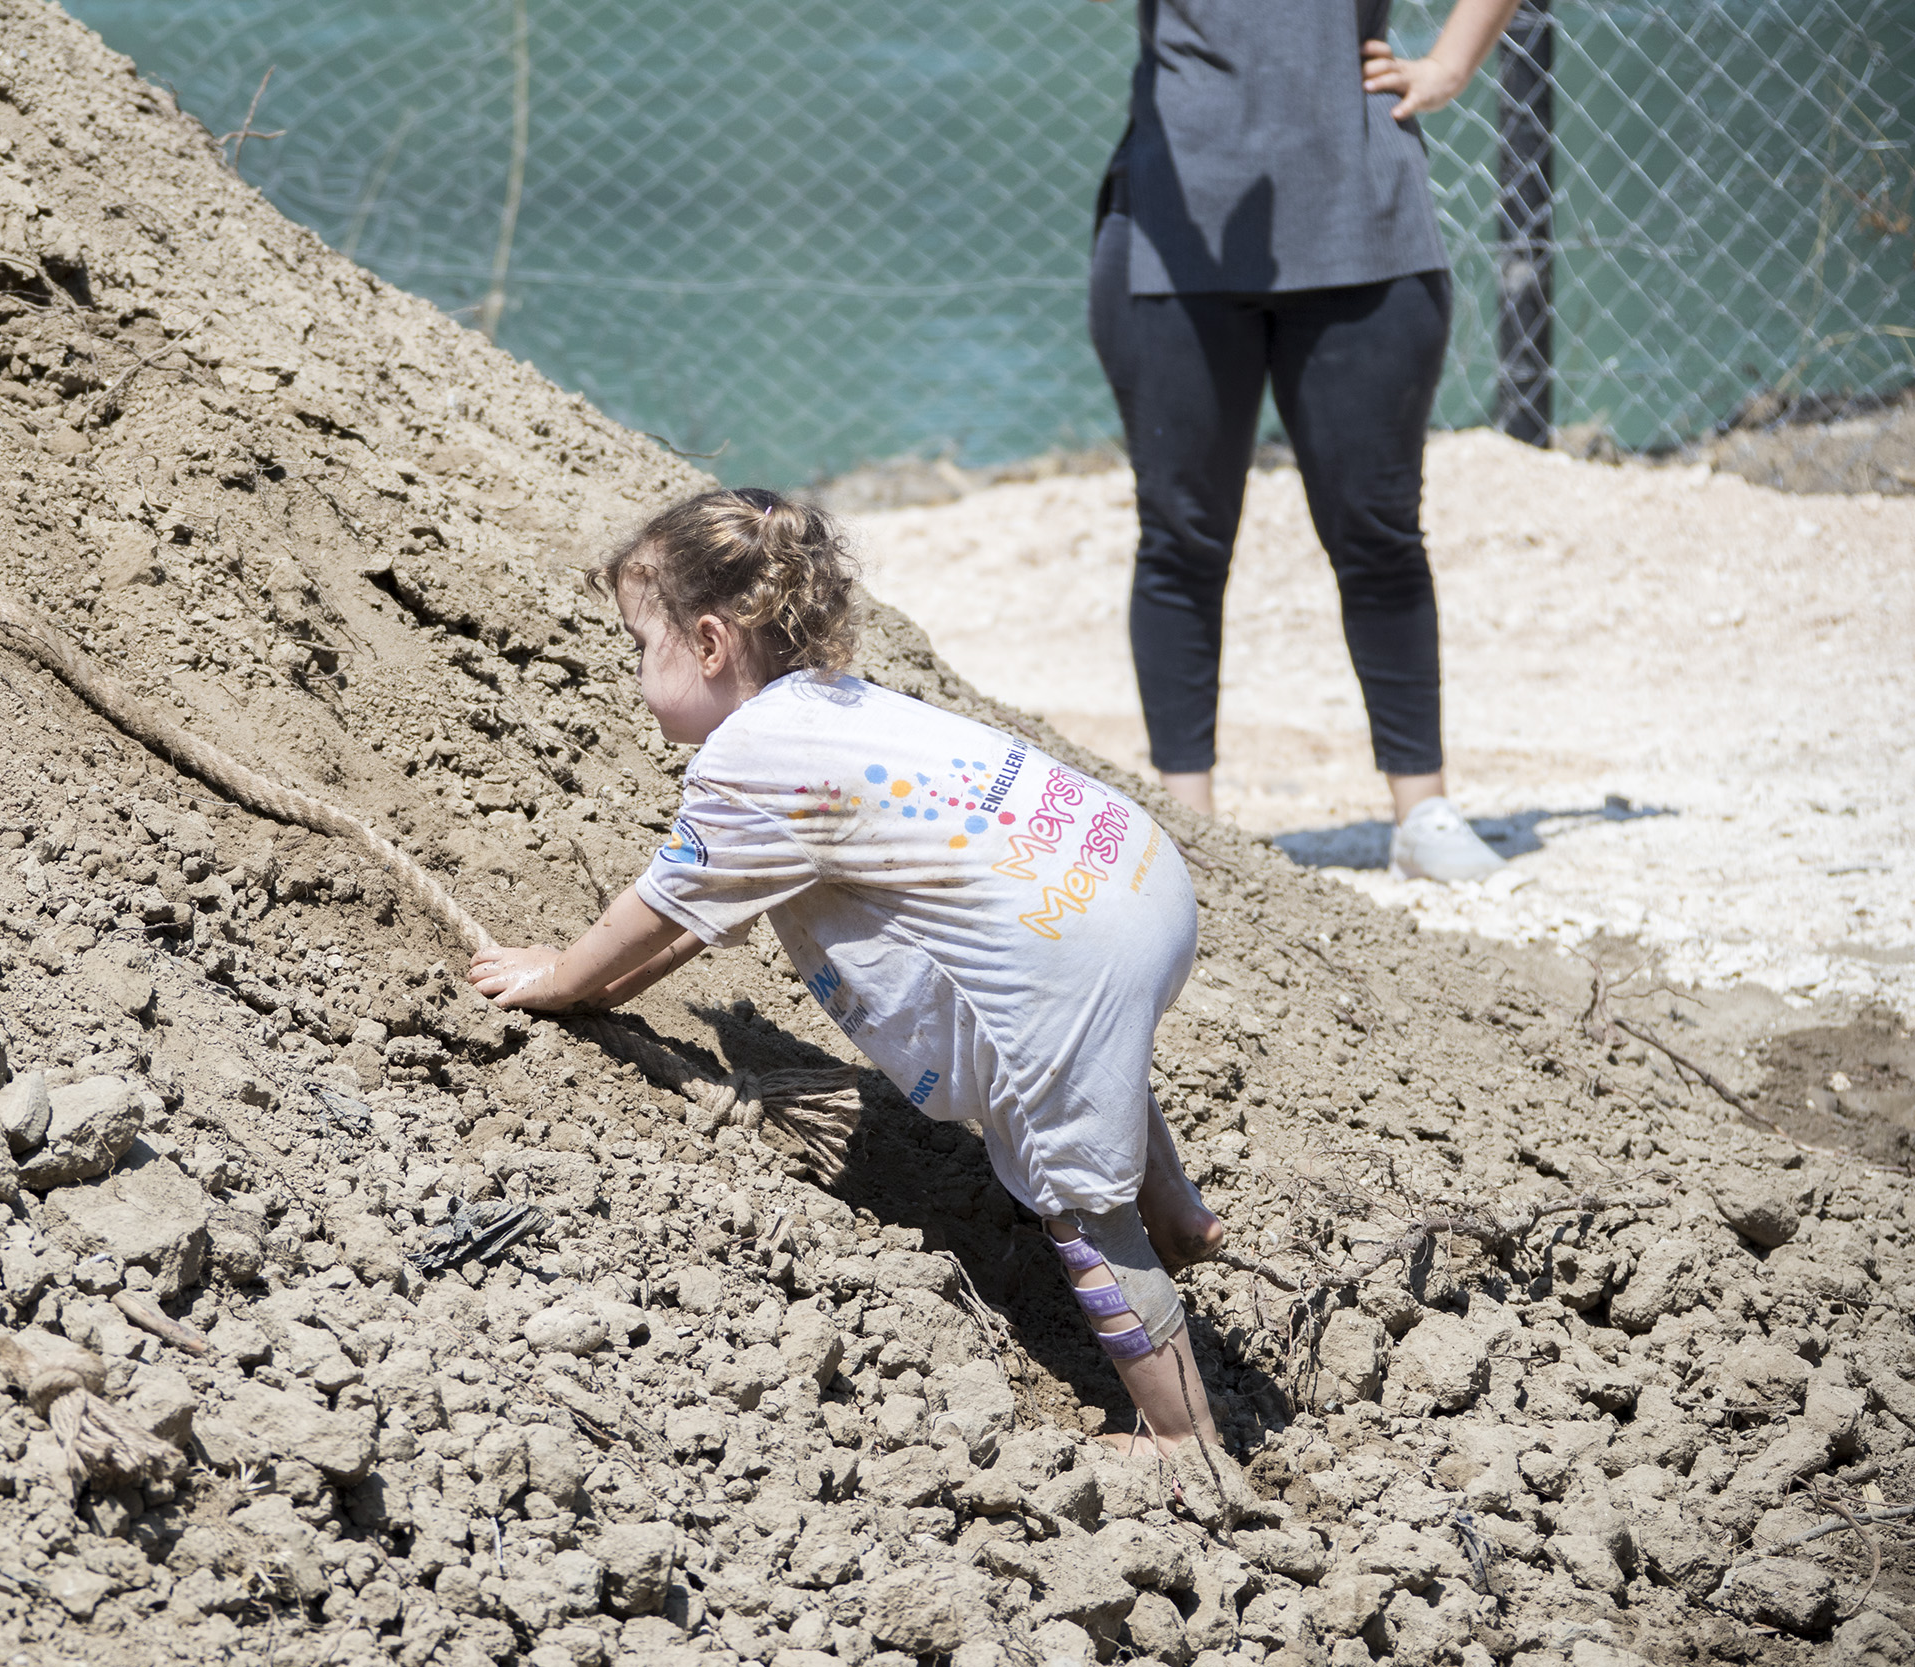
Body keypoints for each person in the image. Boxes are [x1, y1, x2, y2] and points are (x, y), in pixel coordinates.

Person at [467, 488, 1225, 1455]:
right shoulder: (833, 706)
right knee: (1079, 1052)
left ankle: (1183, 1440)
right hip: (1129, 874)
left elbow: (661, 903)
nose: (630, 672)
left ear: (706, 644)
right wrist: (600, 986)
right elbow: (711, 905)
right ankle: (1181, 1214)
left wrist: (564, 981)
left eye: (635, 646)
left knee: (1074, 1194)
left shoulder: (750, 759)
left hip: (1069, 951)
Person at [1087, 0, 1525, 881]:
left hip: (1365, 224)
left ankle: (1423, 814)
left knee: (1379, 533)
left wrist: (1447, 67)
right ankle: (1189, 828)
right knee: (1180, 536)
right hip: (1173, 238)